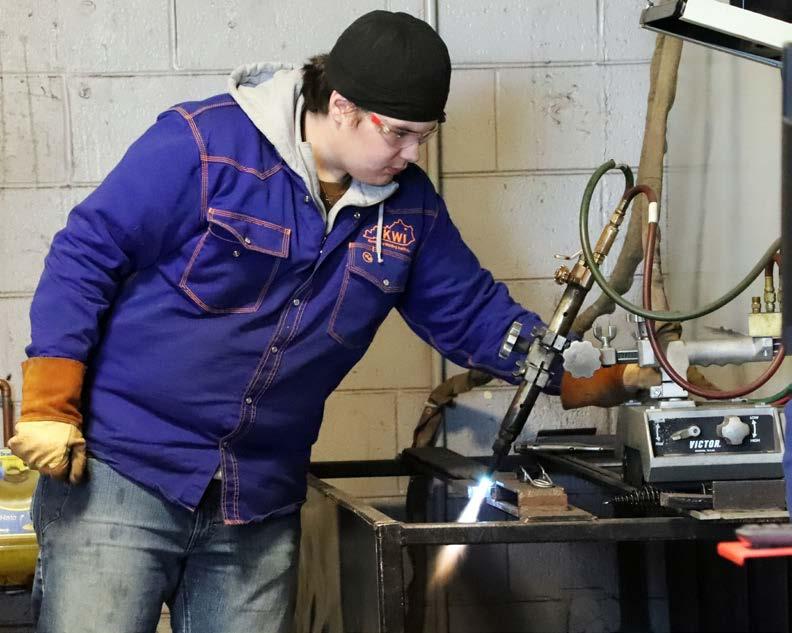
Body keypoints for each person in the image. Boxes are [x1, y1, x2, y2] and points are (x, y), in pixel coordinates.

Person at [9, 10, 652, 633]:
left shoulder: (409, 210)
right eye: (398, 133)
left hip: (256, 495)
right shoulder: (205, 146)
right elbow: (87, 253)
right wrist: (48, 401)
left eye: (424, 136)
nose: (410, 154)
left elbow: (471, 312)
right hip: (124, 469)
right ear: (341, 105)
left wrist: (578, 377)